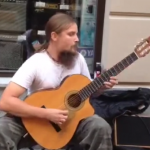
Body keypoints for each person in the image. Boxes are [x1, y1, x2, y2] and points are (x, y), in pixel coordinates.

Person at [0, 12, 118, 150]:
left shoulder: (78, 59)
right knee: (2, 130)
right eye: (71, 34)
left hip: (71, 121)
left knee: (100, 126)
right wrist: (46, 114)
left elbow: (87, 91)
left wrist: (100, 87)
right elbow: (6, 101)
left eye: (77, 34)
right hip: (37, 120)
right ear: (54, 36)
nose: (77, 39)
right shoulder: (36, 62)